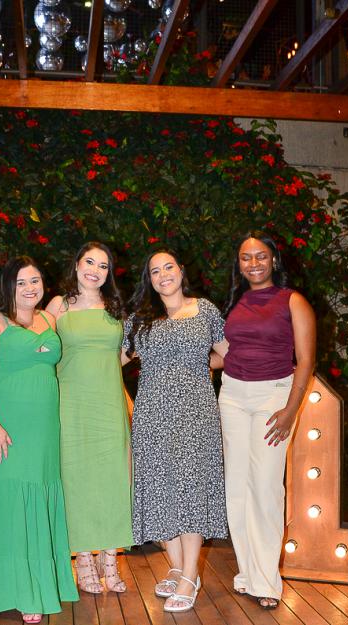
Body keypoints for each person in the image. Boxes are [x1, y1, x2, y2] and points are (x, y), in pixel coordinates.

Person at [0, 256, 79, 624]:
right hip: (0, 424)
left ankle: (32, 587)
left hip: (42, 429)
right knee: (6, 504)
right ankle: (4, 589)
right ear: (9, 286)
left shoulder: (48, 320)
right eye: (21, 282)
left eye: (35, 281)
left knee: (35, 500)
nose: (29, 288)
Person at [121, 250, 228, 613]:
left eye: (169, 267)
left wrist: (198, 363)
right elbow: (112, 360)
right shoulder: (140, 319)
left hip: (196, 414)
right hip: (152, 414)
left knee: (190, 488)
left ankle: (189, 577)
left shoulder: (205, 310)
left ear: (181, 271)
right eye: (155, 271)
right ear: (149, 279)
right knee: (160, 488)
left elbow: (228, 355)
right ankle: (179, 567)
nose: (163, 274)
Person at [217, 231, 316, 610]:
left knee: (265, 487)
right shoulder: (237, 302)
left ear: (274, 260)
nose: (254, 263)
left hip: (273, 396)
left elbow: (305, 360)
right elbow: (230, 353)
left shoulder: (293, 301)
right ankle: (248, 573)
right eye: (246, 257)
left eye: (260, 256)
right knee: (236, 488)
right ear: (239, 264)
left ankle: (267, 582)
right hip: (232, 395)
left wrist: (291, 410)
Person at [46, 242, 133, 594]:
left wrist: (103, 367)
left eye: (103, 265)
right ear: (77, 264)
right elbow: (42, 348)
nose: (95, 270)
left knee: (115, 478)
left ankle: (109, 558)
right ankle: (82, 558)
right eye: (90, 262)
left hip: (109, 402)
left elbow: (126, 352)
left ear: (109, 273)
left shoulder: (115, 308)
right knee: (76, 479)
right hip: (70, 404)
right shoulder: (58, 305)